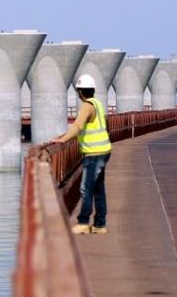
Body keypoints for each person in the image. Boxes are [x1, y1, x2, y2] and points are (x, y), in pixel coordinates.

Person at [51, 74, 112, 235]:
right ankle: (100, 225)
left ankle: (83, 222)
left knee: (85, 189)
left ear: (80, 92)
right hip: (104, 150)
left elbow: (77, 125)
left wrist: (63, 139)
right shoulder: (97, 103)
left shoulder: (86, 106)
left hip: (93, 153)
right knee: (98, 189)